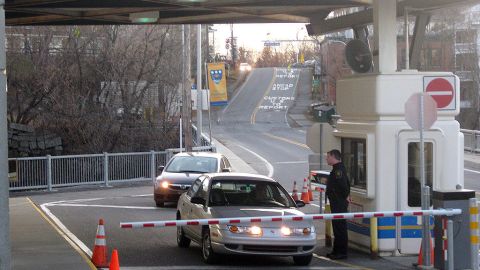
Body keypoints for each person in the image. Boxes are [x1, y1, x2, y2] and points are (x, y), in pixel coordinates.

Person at [325, 149, 350, 260]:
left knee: (340, 228)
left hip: (338, 203)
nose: (326, 159)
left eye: (328, 157)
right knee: (336, 227)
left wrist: (342, 198)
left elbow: (344, 187)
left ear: (333, 157)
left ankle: (342, 252)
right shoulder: (337, 169)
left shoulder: (338, 171)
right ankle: (336, 251)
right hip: (336, 202)